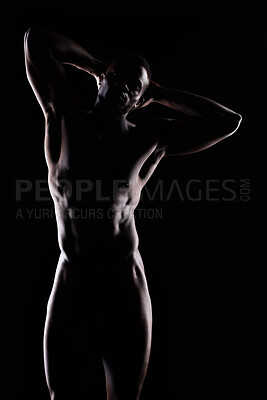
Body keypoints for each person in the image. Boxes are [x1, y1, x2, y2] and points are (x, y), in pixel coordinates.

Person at [24, 26, 242, 400]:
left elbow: (228, 122)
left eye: (135, 87)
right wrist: (95, 65)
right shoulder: (63, 115)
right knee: (63, 394)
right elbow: (35, 40)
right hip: (73, 276)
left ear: (139, 99)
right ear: (104, 78)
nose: (125, 87)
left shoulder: (148, 138)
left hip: (123, 281)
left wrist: (158, 93)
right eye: (119, 77)